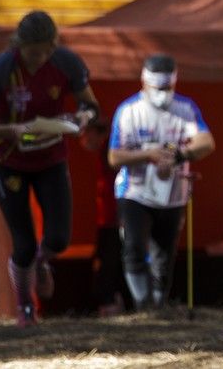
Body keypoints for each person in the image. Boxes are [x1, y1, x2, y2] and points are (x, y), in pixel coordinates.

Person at [0, 10, 100, 327]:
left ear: (53, 47)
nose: (38, 58)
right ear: (18, 46)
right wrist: (11, 131)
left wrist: (81, 119)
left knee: (58, 238)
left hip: (50, 158)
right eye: (31, 52)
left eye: (44, 51)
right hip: (8, 161)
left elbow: (91, 106)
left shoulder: (66, 63)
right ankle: (25, 306)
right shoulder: (1, 71)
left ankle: (43, 262)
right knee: (23, 243)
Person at [108, 53, 215, 311]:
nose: (162, 94)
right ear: (144, 83)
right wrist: (147, 154)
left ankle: (158, 303)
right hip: (135, 192)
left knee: (164, 253)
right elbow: (114, 156)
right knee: (134, 245)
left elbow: (206, 142)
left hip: (173, 194)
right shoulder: (129, 111)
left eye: (167, 88)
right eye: (157, 88)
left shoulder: (185, 109)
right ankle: (142, 303)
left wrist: (179, 154)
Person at [79, 118, 131, 316]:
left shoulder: (112, 149)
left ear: (93, 131)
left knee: (111, 263)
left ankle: (112, 302)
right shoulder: (106, 149)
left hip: (115, 217)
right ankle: (109, 301)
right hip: (106, 217)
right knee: (105, 261)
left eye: (85, 134)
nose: (83, 140)